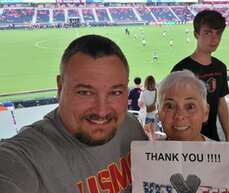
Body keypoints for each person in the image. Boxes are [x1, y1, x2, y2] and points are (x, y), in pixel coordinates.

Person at [0, 35, 147, 193]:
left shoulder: (131, 126)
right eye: (85, 92)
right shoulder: (26, 156)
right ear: (60, 87)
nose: (102, 111)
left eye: (115, 92)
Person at [156, 70, 229, 193]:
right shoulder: (143, 156)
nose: (179, 115)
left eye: (190, 106)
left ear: (205, 112)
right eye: (169, 106)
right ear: (159, 112)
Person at [171, 10, 229, 142]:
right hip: (184, 139)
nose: (214, 39)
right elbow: (171, 109)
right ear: (196, 34)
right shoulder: (180, 70)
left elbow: (221, 103)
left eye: (218, 33)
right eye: (208, 32)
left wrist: (228, 136)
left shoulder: (221, 67)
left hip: (212, 138)